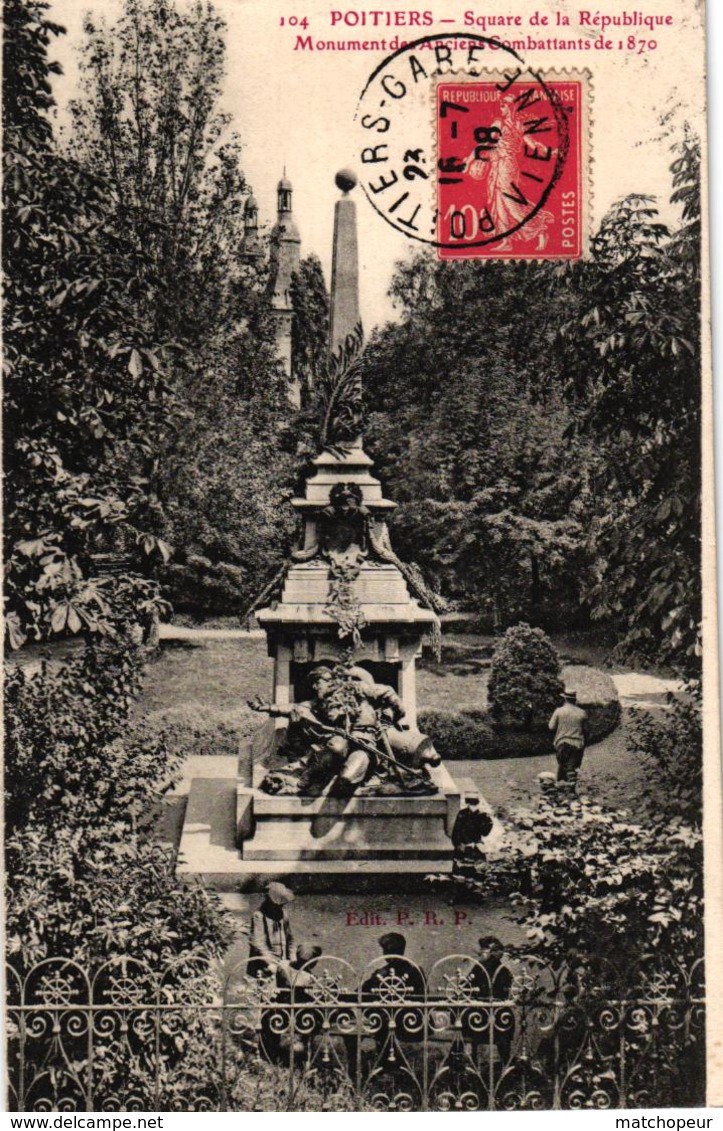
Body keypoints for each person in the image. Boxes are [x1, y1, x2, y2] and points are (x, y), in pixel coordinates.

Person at [251, 662, 441, 795]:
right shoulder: (321, 702)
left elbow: (389, 693)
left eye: (320, 682)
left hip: (370, 743)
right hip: (348, 744)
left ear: (331, 680)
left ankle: (375, 775)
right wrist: (268, 708)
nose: (316, 687)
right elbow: (296, 708)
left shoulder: (358, 689)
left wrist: (390, 716)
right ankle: (309, 776)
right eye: (314, 684)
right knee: (340, 764)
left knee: (349, 778)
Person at [464, 936, 515, 1067]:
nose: (481, 953)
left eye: (484, 950)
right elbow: (465, 988)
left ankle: (504, 1066)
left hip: (495, 1016)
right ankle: (472, 1066)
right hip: (482, 1015)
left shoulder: (501, 971)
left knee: (502, 1042)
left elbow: (505, 994)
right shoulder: (479, 968)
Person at [247, 881, 295, 978]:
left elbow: (290, 938)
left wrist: (292, 958)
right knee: (267, 989)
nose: (281, 907)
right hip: (265, 962)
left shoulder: (283, 914)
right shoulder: (259, 916)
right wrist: (270, 963)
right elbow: (258, 943)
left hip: (283, 961)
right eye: (279, 905)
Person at [548, 689, 589, 783]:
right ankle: (570, 791)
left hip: (561, 743)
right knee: (572, 770)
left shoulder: (559, 711)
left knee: (562, 767)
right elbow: (586, 731)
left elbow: (551, 727)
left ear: (565, 699)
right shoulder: (582, 713)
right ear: (574, 699)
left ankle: (560, 789)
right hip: (577, 744)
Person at [451, 791, 494, 864]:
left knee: (479, 862)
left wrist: (488, 823)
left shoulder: (482, 815)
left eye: (474, 804)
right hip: (463, 844)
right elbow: (456, 831)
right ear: (468, 804)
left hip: (476, 844)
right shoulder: (462, 814)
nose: (473, 806)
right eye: (471, 804)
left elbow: (484, 833)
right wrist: (460, 844)